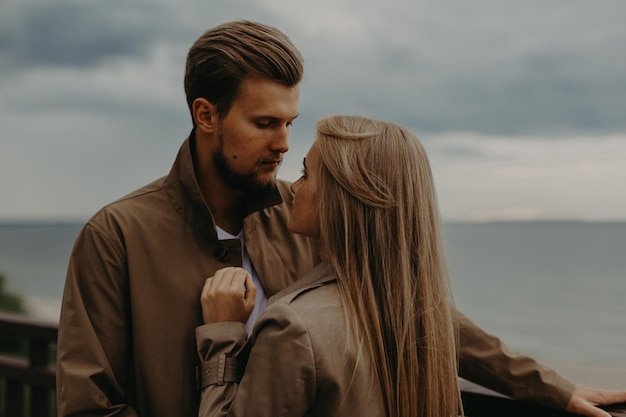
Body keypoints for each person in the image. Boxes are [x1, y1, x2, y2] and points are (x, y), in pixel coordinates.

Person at [56, 20, 626, 417]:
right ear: (206, 115)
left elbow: (409, 302)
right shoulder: (116, 237)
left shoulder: (303, 215)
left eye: (289, 121)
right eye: (264, 123)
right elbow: (90, 405)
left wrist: (549, 386)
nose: (284, 143)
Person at [196, 114, 461, 417]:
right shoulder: (422, 312)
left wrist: (222, 334)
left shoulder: (293, 326)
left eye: (306, 174)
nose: (294, 187)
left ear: (341, 195)